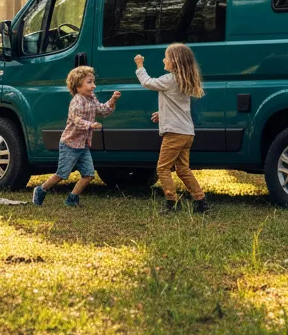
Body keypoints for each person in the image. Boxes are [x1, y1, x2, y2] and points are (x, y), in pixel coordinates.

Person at [134, 44, 210, 214]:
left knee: (162, 168)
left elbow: (148, 82)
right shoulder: (183, 80)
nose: (163, 59)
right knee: (183, 169)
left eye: (166, 57)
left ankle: (172, 203)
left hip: (175, 133)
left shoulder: (170, 79)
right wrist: (163, 114)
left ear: (174, 61)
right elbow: (177, 106)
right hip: (186, 132)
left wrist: (140, 66)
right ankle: (201, 201)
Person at [32, 66, 120, 207]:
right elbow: (75, 119)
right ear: (78, 87)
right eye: (89, 82)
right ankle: (41, 190)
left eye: (93, 82)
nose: (94, 86)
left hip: (83, 145)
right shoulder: (77, 101)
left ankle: (72, 199)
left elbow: (103, 110)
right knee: (62, 174)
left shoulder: (92, 99)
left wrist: (113, 100)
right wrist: (90, 125)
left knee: (89, 174)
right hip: (69, 144)